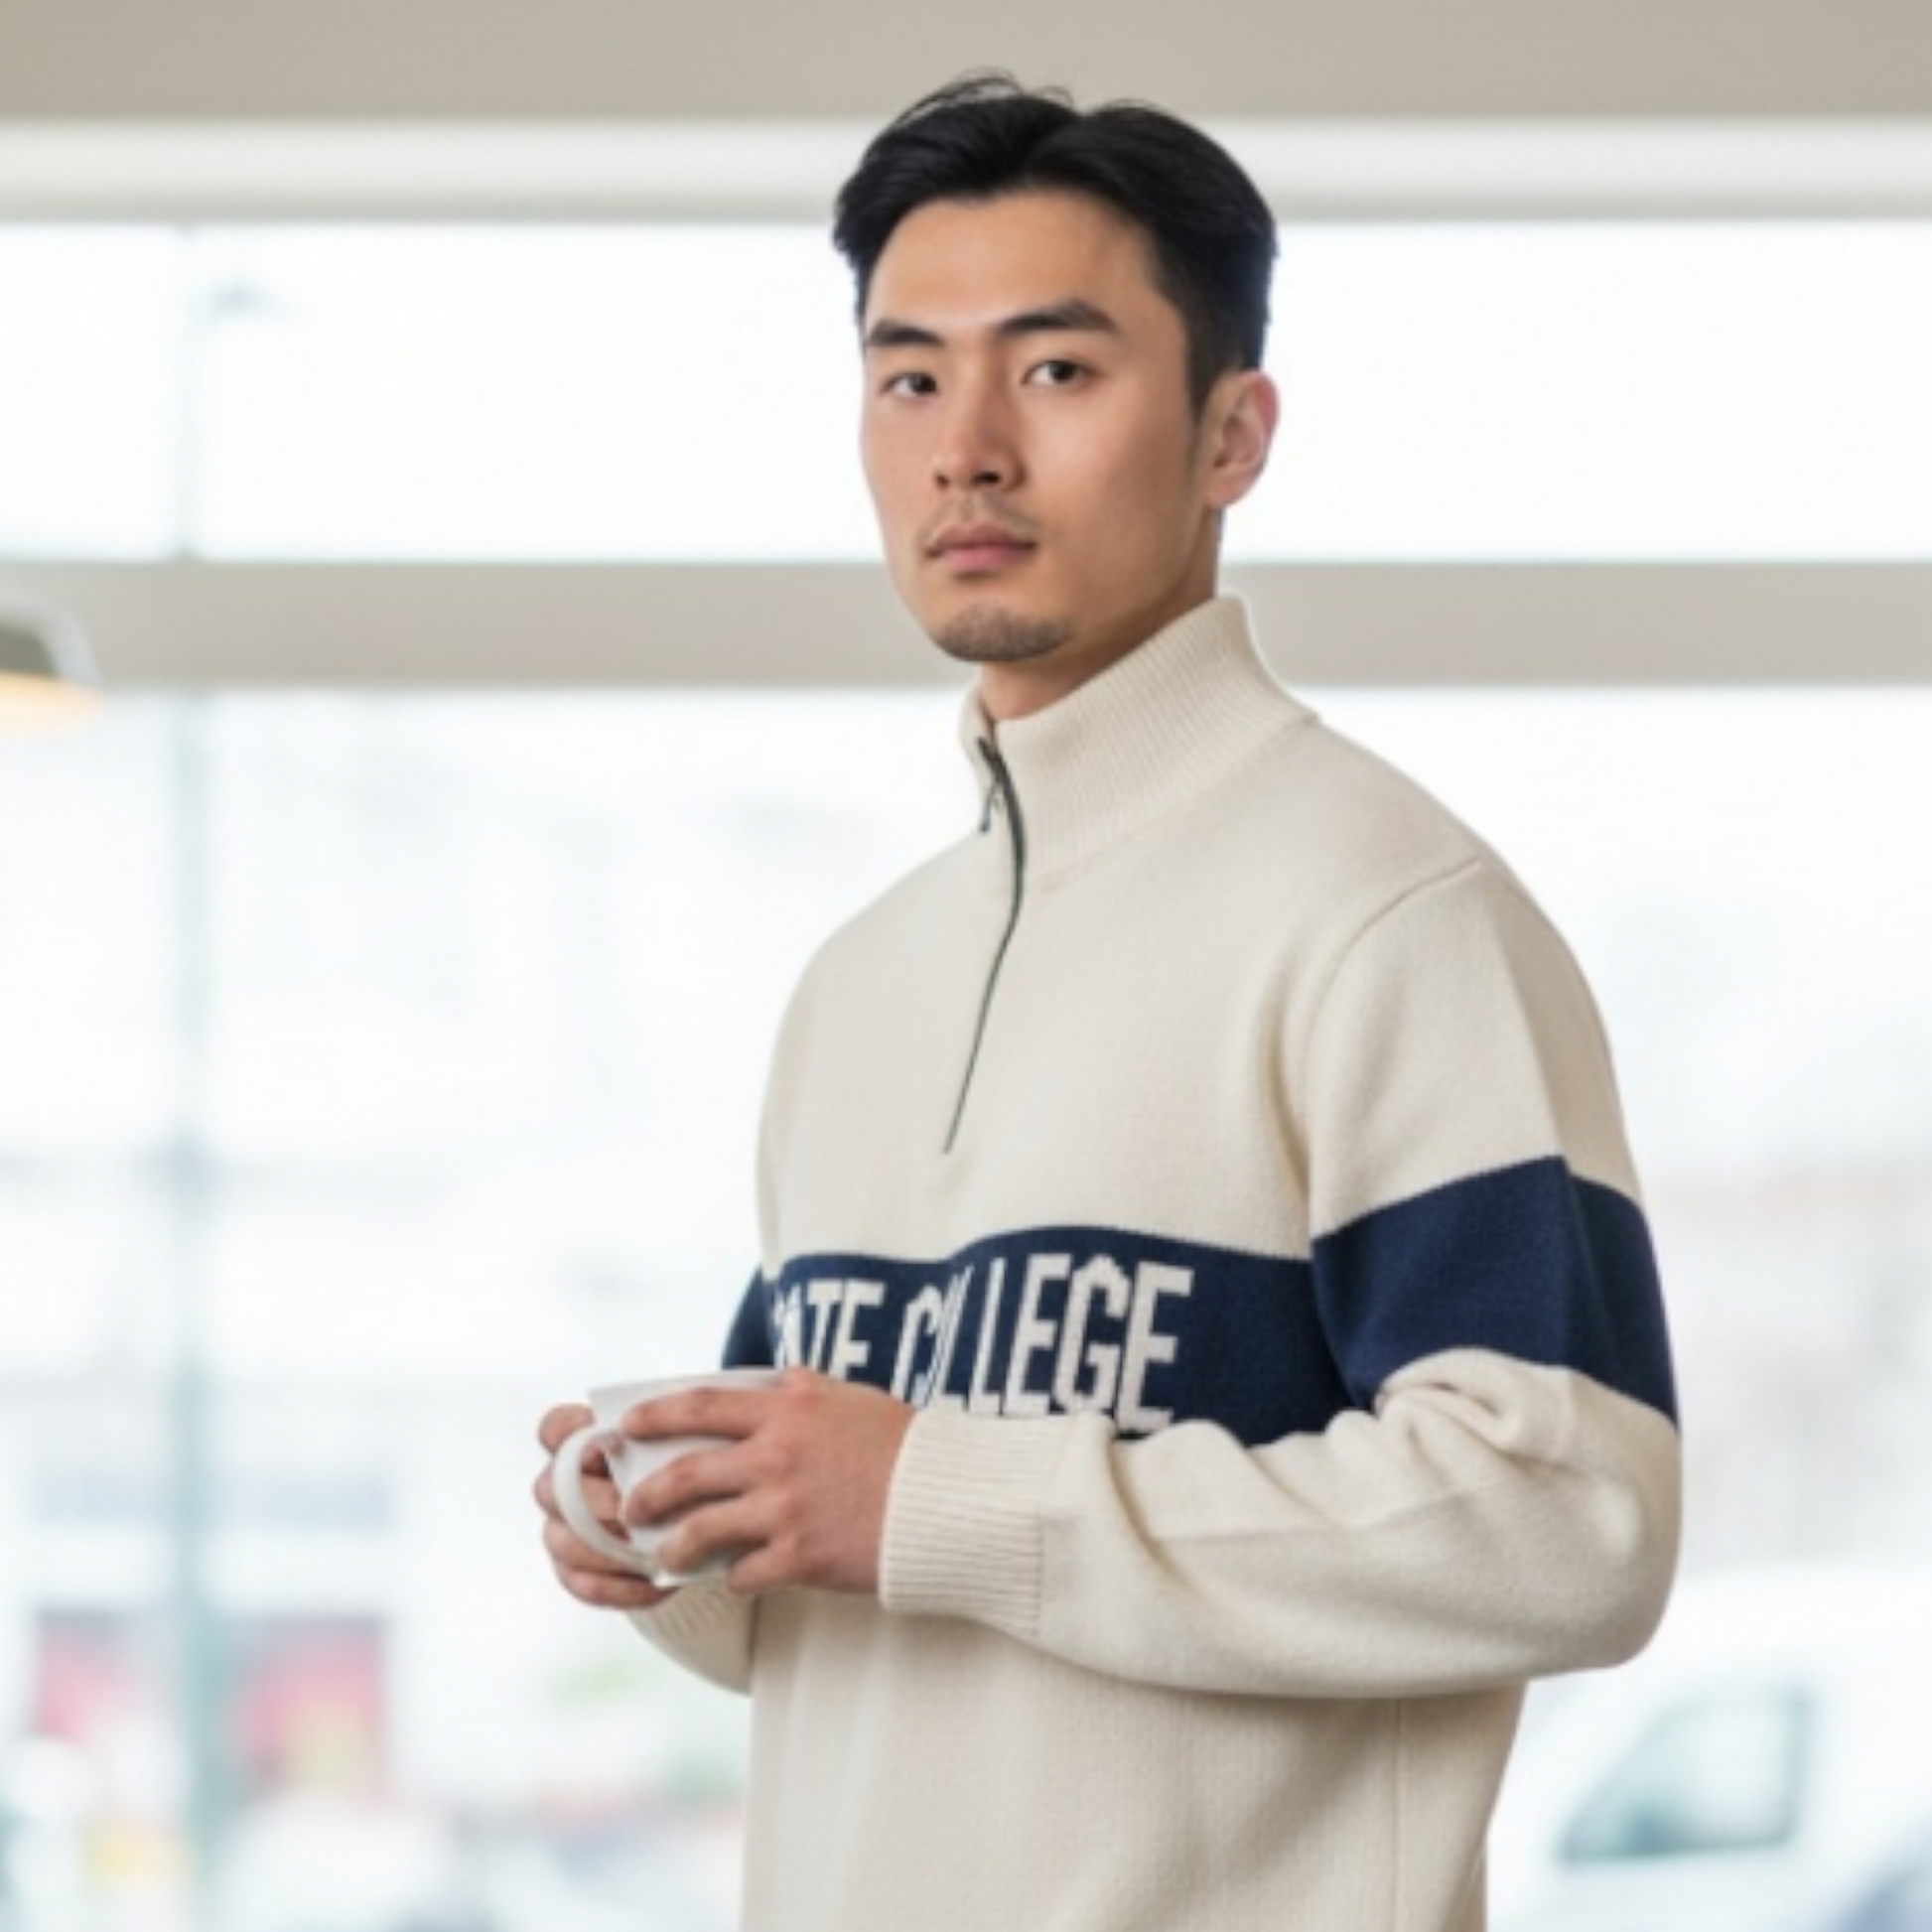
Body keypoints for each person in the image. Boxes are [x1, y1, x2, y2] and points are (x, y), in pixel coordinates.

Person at [534, 70, 1680, 1932]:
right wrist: (675, 1539)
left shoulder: (1392, 912)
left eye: (1054, 372)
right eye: (908, 377)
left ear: (1232, 433)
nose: (964, 449)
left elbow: (1571, 1525)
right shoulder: (858, 980)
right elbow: (859, 1585)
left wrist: (936, 1497)